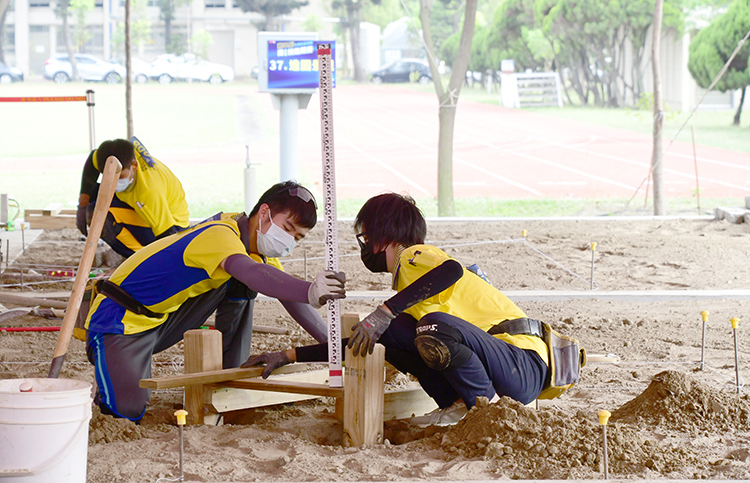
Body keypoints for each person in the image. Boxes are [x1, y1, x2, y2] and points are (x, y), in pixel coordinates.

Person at [243, 192, 549, 427]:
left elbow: (452, 271)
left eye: (366, 235)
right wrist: (288, 356)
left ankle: (489, 411)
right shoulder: (413, 286)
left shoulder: (415, 255)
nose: (365, 245)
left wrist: (386, 309)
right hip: (507, 369)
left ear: (382, 234)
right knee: (394, 336)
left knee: (433, 325)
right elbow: (366, 342)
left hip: (521, 364)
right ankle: (457, 404)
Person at [83, 181, 346, 421]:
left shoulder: (253, 245)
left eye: (297, 237)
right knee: (124, 413)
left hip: (162, 319)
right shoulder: (221, 234)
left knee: (245, 281)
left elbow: (286, 294)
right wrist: (311, 290)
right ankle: (110, 369)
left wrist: (333, 345)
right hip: (119, 319)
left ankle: (230, 378)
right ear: (264, 213)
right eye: (288, 229)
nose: (290, 241)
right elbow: (255, 275)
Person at [77, 137, 190, 258]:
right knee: (93, 196)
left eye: (119, 176)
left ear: (134, 165)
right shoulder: (114, 157)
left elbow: (168, 235)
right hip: (141, 207)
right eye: (108, 176)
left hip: (174, 227)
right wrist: (83, 205)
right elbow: (92, 161)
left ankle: (140, 259)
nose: (114, 182)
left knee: (100, 217)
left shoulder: (149, 191)